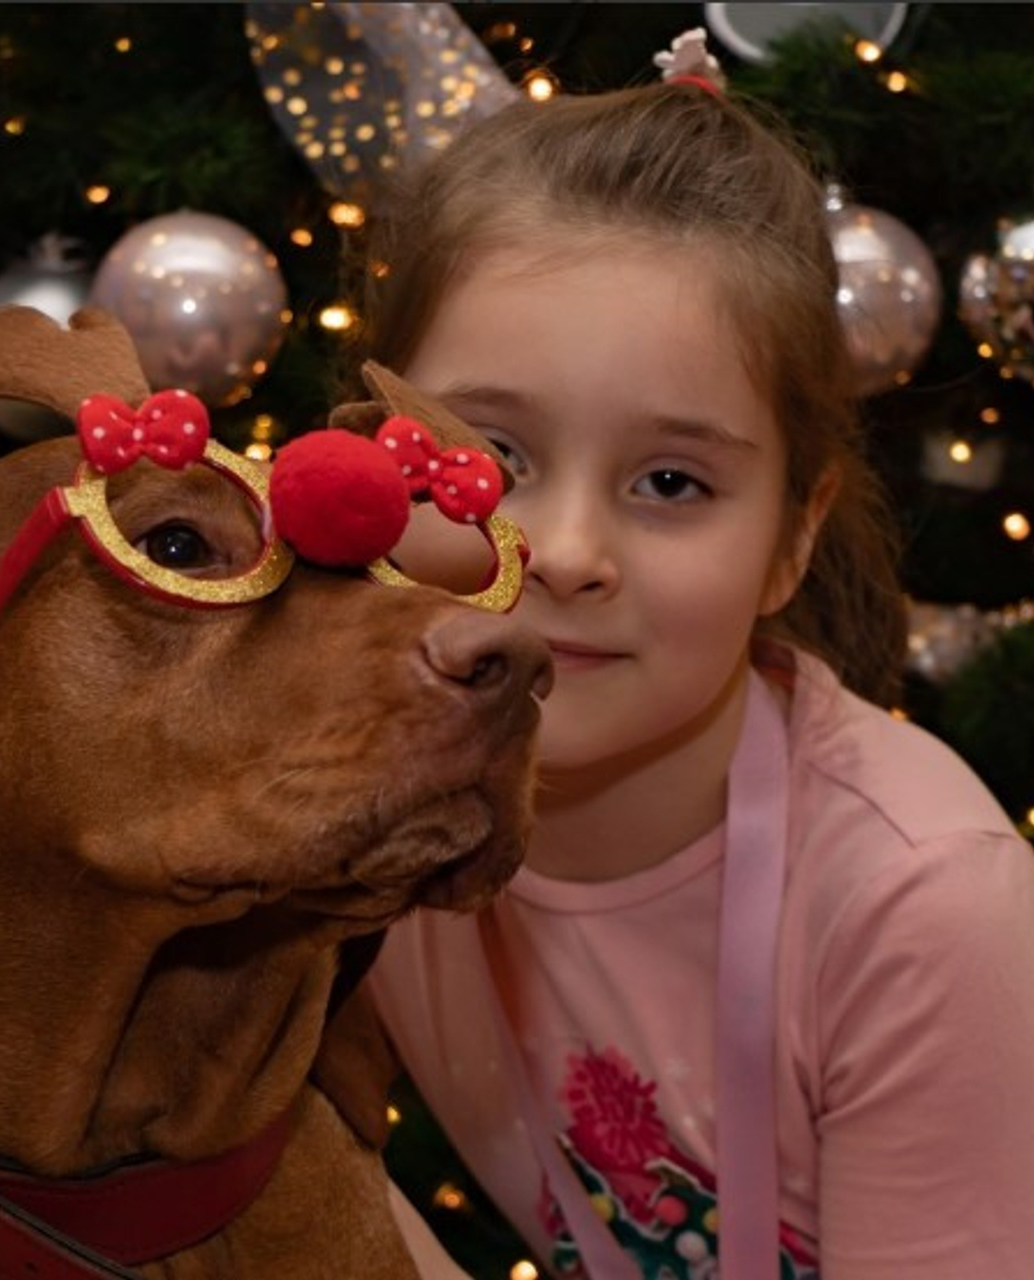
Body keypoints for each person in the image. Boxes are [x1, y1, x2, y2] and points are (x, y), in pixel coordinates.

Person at [357, 32, 1034, 1280]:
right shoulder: (331, 787)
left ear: (789, 541)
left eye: (670, 482)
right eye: (491, 458)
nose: (565, 551)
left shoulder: (921, 905)